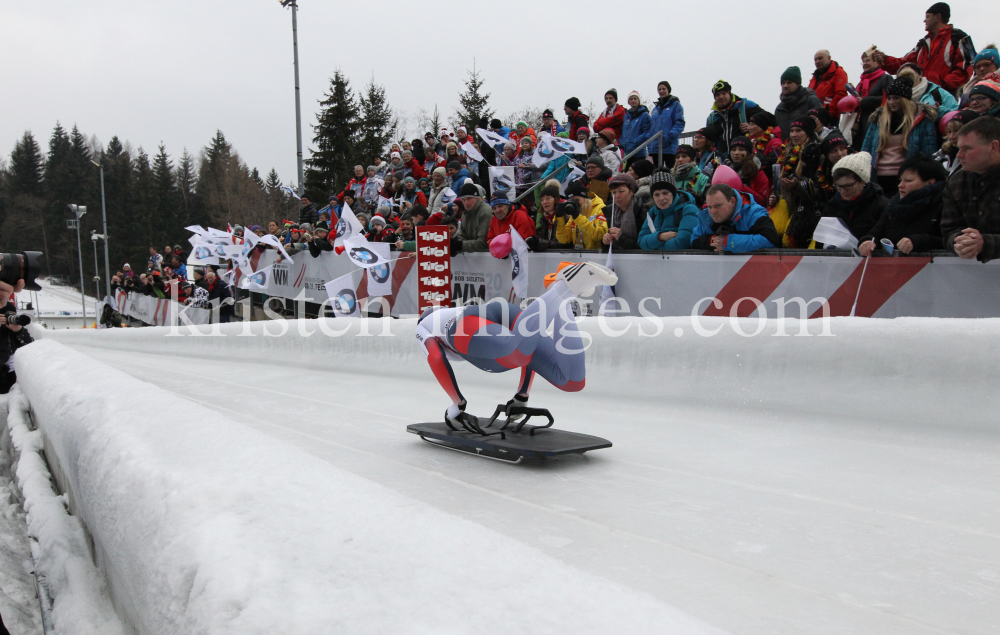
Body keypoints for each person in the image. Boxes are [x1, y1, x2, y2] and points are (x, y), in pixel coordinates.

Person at [415, 261, 617, 428]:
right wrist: (522, 394)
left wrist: (457, 403)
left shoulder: (423, 325)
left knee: (515, 353)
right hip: (499, 312)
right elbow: (526, 351)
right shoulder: (446, 312)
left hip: (463, 325)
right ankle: (563, 293)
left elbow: (435, 357)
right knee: (571, 380)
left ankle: (563, 288)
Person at [861, 77, 939, 197]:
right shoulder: (878, 120)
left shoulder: (922, 121)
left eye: (896, 98)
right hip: (877, 177)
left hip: (906, 178)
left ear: (906, 100)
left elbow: (928, 153)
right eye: (889, 98)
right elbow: (866, 150)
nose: (891, 102)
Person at [873, 2, 976, 93]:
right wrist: (885, 60)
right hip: (920, 93)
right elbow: (905, 63)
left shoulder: (959, 37)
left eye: (927, 16)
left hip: (944, 95)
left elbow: (968, 66)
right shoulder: (923, 42)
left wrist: (943, 85)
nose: (924, 20)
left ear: (937, 17)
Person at [859, 155, 948, 255]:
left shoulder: (944, 205)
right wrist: (867, 241)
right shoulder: (894, 206)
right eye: (901, 180)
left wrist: (917, 241)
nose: (900, 185)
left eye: (908, 180)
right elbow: (875, 233)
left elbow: (949, 239)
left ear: (930, 183)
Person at [941, 116, 1000, 262]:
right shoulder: (957, 181)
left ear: (993, 147)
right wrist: (960, 242)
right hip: (973, 277)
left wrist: (985, 243)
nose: (959, 155)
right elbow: (948, 230)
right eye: (959, 148)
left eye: (967, 148)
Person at [691, 184, 780, 253]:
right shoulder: (706, 215)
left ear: (733, 201)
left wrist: (728, 242)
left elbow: (770, 240)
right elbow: (694, 240)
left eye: (718, 206)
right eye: (709, 206)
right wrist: (712, 240)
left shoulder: (753, 212)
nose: (713, 211)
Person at [821, 152, 888, 242]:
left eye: (848, 186)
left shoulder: (881, 206)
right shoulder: (832, 206)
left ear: (863, 181)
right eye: (839, 186)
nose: (843, 191)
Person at [638, 171, 700, 251]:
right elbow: (641, 241)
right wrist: (660, 237)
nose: (661, 198)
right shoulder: (652, 212)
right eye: (656, 194)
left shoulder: (689, 209)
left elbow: (683, 241)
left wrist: (655, 247)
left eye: (665, 193)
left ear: (673, 193)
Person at [707, 80, 764, 156]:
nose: (721, 97)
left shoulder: (746, 105)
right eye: (718, 95)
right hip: (723, 158)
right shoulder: (712, 117)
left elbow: (767, 120)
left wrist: (751, 127)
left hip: (745, 156)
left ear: (729, 93)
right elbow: (710, 140)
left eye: (724, 93)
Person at [855, 48, 894, 151]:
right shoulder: (861, 83)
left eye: (868, 60)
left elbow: (889, 99)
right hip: (861, 123)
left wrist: (864, 101)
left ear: (877, 62)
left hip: (878, 122)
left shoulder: (886, 78)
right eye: (863, 62)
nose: (865, 64)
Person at [774, 66, 824, 142]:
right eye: (783, 83)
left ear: (798, 84)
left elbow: (821, 125)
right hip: (787, 150)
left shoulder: (811, 100)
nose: (785, 86)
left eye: (789, 82)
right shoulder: (779, 108)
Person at [601, 173, 648, 250]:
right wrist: (605, 242)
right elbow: (608, 247)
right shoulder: (610, 212)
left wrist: (621, 238)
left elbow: (645, 244)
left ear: (632, 192)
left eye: (621, 191)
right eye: (614, 192)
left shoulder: (643, 212)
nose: (617, 196)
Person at [648, 81, 685, 169]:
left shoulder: (675, 105)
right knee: (657, 173)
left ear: (668, 90)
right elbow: (652, 127)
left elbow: (679, 122)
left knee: (671, 171)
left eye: (663, 89)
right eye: (659, 89)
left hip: (669, 147)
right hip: (656, 147)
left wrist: (669, 137)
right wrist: (650, 142)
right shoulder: (655, 109)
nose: (661, 91)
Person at [561, 181, 609, 249]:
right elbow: (564, 239)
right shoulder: (575, 213)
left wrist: (578, 218)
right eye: (571, 201)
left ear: (585, 198)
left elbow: (599, 235)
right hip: (580, 254)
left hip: (596, 254)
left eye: (577, 200)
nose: (575, 204)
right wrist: (559, 218)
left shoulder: (599, 208)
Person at [725, 137, 770, 205]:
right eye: (733, 150)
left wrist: (742, 187)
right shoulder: (724, 170)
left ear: (748, 153)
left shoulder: (757, 172)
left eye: (741, 149)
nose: (736, 153)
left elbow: (763, 201)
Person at [0, 300, 33, 394]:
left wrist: (19, 330)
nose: (9, 319)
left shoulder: (13, 329)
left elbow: (30, 346)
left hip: (16, 373)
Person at [527, 182, 572, 251]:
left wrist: (540, 243)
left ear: (556, 200)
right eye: (542, 199)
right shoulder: (544, 219)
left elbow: (566, 244)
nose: (544, 202)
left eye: (548, 198)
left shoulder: (566, 217)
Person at [450, 183, 492, 253]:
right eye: (463, 199)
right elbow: (462, 236)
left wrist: (460, 246)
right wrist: (456, 248)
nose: (466, 203)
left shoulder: (486, 212)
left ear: (477, 198)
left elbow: (483, 243)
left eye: (469, 199)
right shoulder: (465, 215)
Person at [935, 109, 980, 174]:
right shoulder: (943, 153)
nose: (951, 136)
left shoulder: (976, 160)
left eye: (957, 131)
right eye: (949, 131)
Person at [809, 50, 850, 120]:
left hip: (829, 116)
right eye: (815, 60)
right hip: (813, 116)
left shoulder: (839, 73)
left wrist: (829, 113)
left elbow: (841, 94)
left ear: (829, 58)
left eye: (820, 58)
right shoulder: (815, 77)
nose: (817, 61)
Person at [620, 91, 653, 162]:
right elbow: (623, 131)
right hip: (627, 151)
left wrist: (637, 141)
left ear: (638, 100)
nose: (633, 101)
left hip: (638, 152)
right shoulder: (626, 116)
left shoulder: (644, 115)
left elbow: (648, 131)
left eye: (635, 98)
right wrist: (622, 142)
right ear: (628, 102)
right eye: (631, 99)